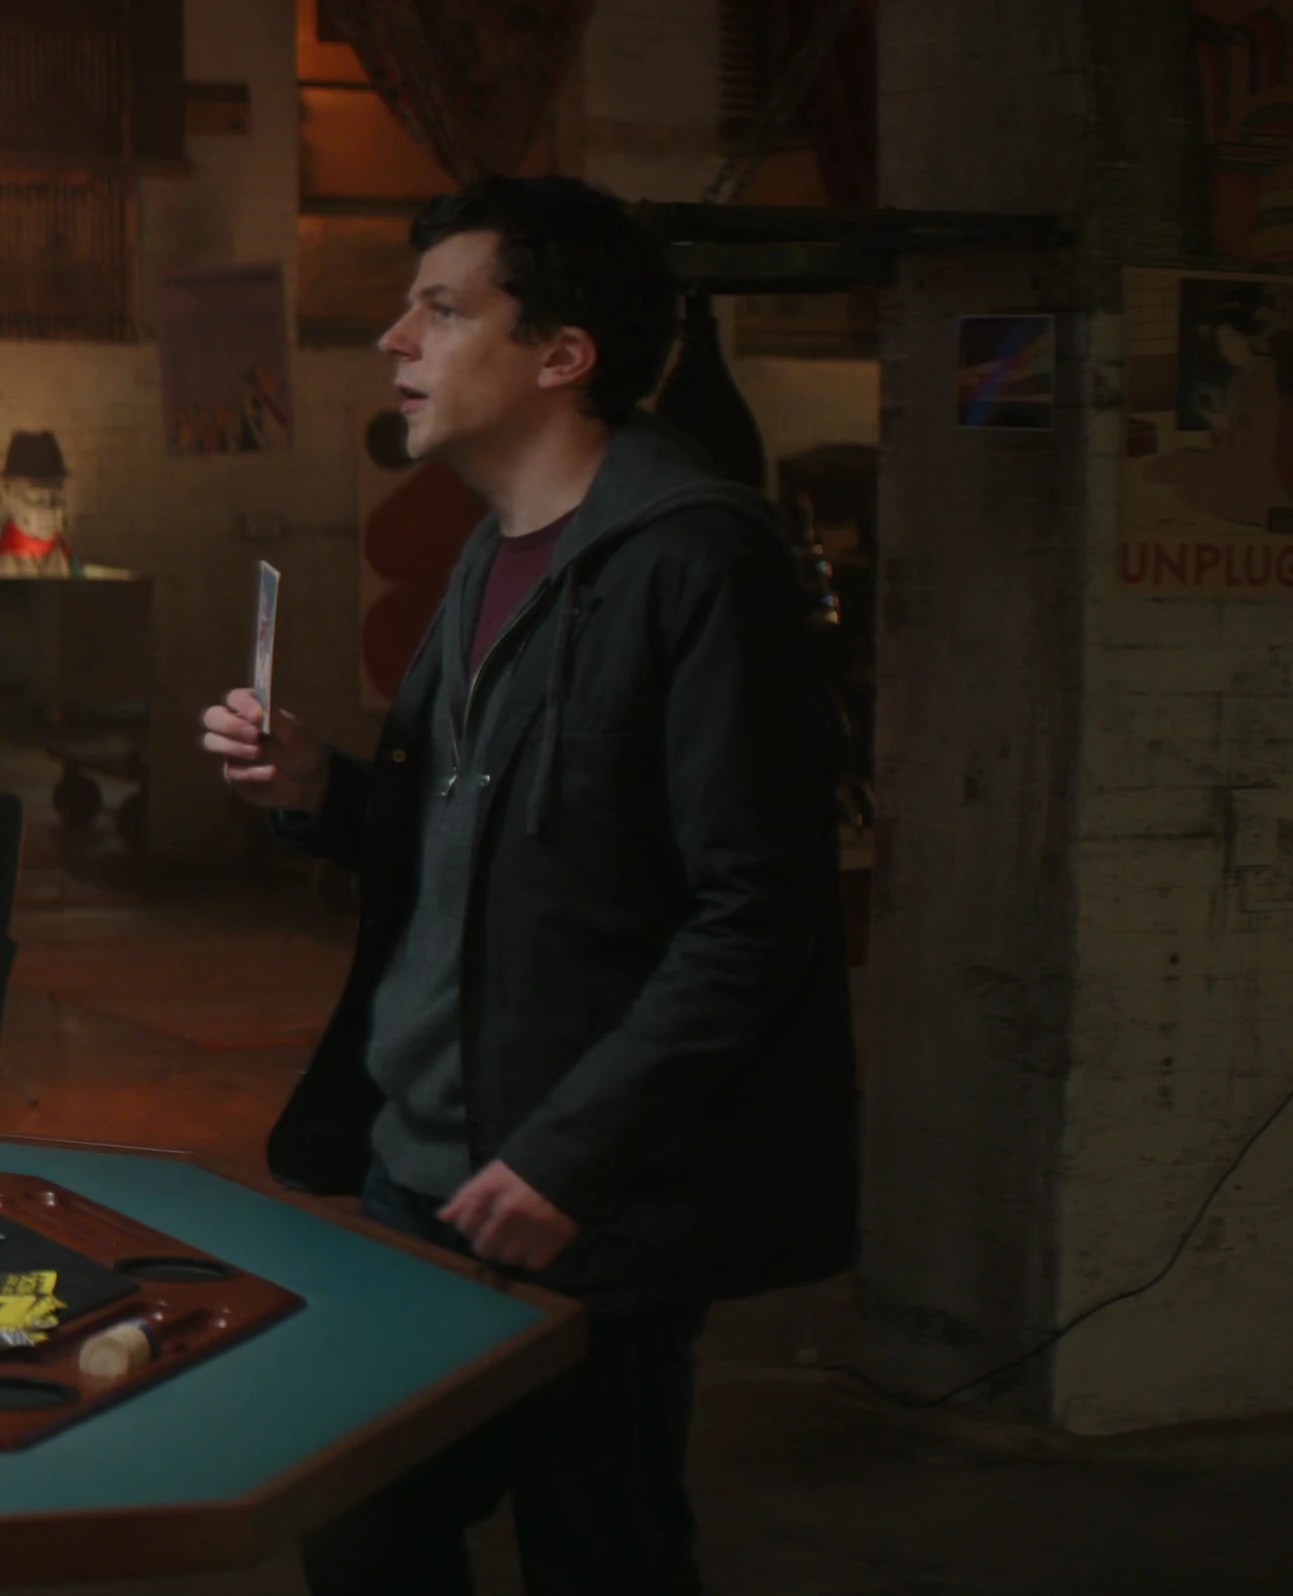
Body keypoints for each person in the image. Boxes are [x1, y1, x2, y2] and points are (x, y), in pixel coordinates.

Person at [199, 176, 856, 1596]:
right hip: (419, 1164)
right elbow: (491, 844)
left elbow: (758, 913)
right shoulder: (490, 554)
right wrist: (320, 793)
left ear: (563, 354)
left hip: (576, 1197)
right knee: (365, 1528)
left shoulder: (698, 559)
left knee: (600, 1550)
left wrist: (573, 1156)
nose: (396, 340)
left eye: (442, 311)